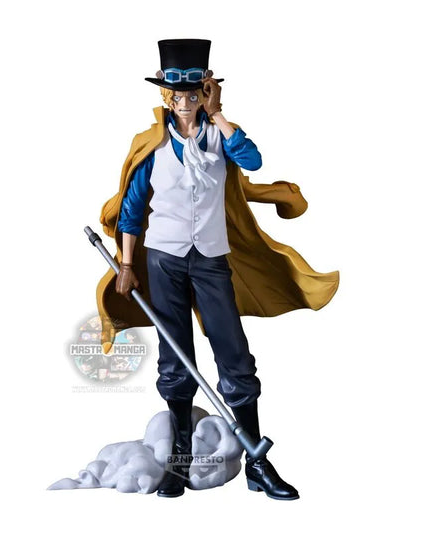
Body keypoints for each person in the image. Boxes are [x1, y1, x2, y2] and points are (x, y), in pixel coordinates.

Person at [96, 39, 339, 499]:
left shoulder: (222, 136)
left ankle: (257, 464)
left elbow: (253, 160)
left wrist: (219, 113)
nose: (186, 102)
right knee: (175, 358)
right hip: (163, 260)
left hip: (210, 259)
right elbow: (131, 210)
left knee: (234, 354)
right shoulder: (151, 145)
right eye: (178, 94)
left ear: (206, 90)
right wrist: (126, 263)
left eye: (195, 93)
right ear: (166, 95)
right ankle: (180, 460)